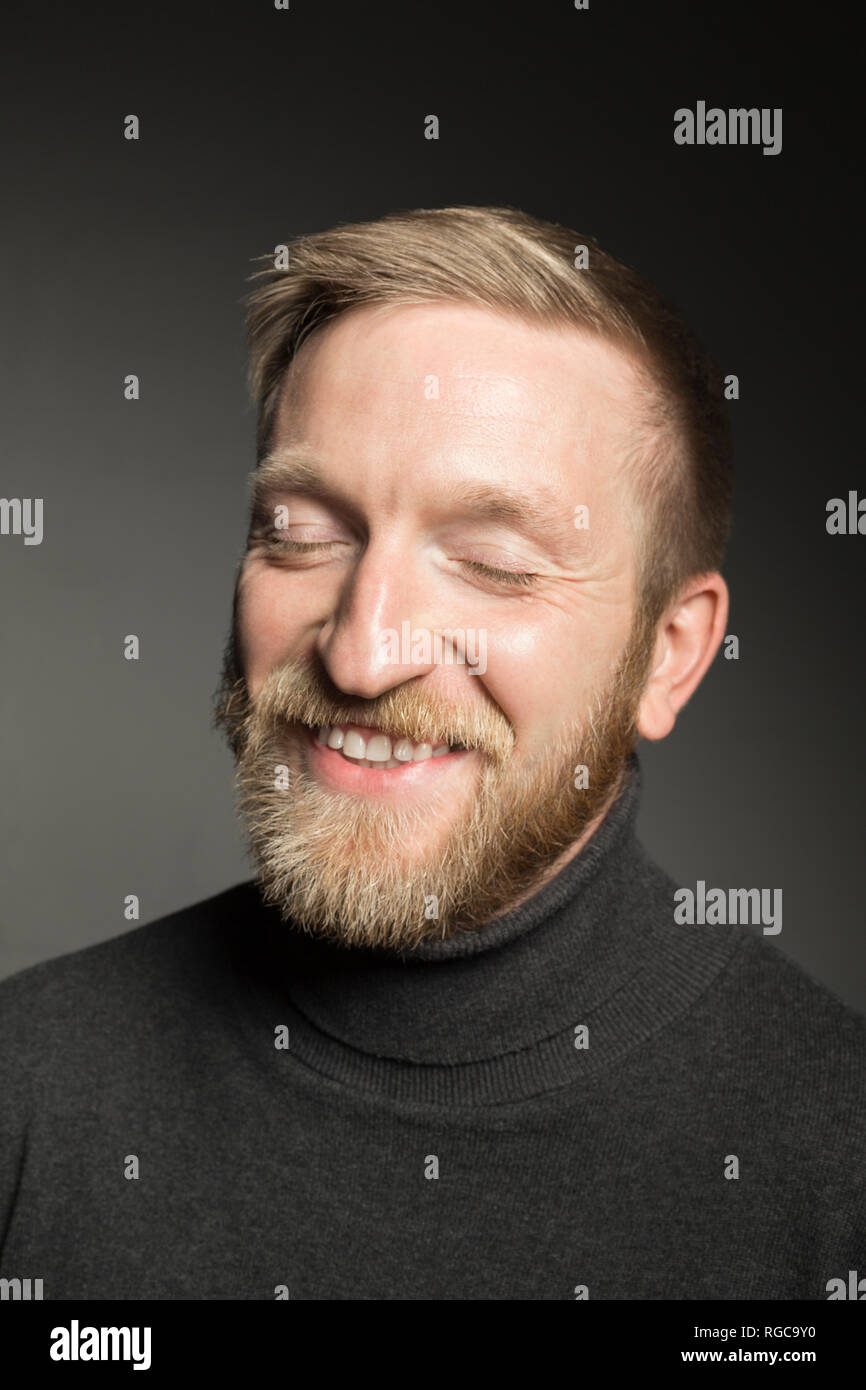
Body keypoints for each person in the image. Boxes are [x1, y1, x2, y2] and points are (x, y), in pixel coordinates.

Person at [1, 206, 863, 1300]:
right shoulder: (26, 1091)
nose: (363, 656)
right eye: (300, 536)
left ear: (668, 654)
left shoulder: (836, 1175)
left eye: (495, 564)